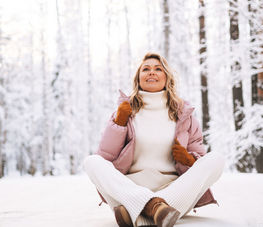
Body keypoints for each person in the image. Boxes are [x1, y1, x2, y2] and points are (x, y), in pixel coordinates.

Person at [83, 53, 225, 227]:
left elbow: (201, 162)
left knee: (216, 159)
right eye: (146, 69)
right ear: (138, 78)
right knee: (91, 162)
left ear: (167, 78)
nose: (152, 72)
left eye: (158, 69)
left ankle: (139, 213)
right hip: (128, 189)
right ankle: (155, 208)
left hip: (175, 191)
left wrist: (189, 159)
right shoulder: (124, 112)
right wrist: (119, 124)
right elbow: (106, 158)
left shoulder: (184, 116)